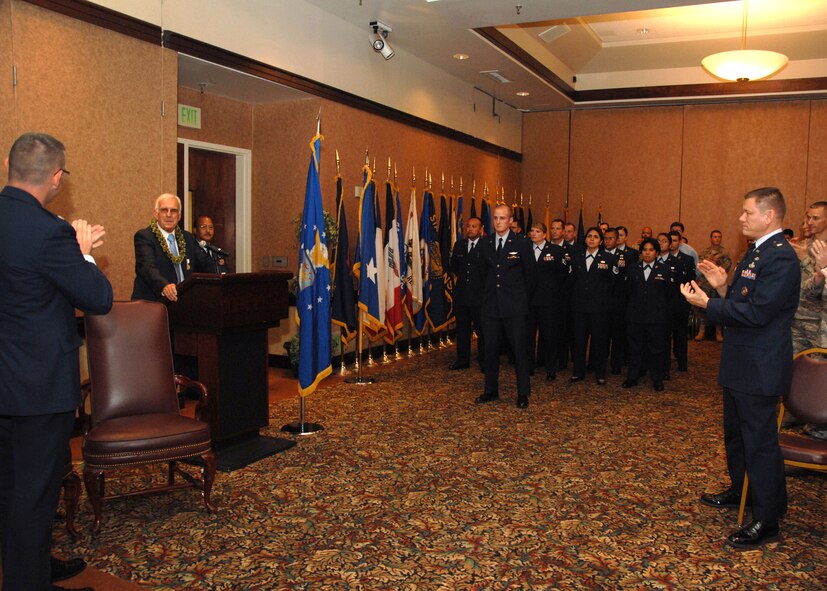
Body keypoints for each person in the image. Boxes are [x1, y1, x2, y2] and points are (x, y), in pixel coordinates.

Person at [0, 132, 113, 591]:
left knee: (10, 487)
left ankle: (35, 566)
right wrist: (83, 251)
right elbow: (99, 298)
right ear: (56, 177)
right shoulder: (50, 232)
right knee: (35, 493)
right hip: (37, 388)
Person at [681, 187, 799, 549]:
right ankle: (740, 491)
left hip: (759, 365)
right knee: (736, 434)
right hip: (742, 360)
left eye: (747, 212)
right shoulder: (756, 252)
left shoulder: (780, 257)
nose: (741, 218)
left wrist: (709, 305)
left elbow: (760, 312)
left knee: (760, 442)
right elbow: (746, 300)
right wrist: (722, 288)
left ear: (769, 216)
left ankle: (767, 518)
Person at [476, 204, 536, 408]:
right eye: (495, 218)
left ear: (511, 221)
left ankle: (523, 393)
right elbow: (483, 275)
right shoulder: (485, 244)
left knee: (519, 350)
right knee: (490, 350)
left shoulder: (522, 243)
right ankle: (490, 390)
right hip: (491, 306)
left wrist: (520, 299)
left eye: (503, 218)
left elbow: (530, 276)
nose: (498, 222)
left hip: (515, 306)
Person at [131, 194, 214, 302]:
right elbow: (147, 268)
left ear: (179, 216)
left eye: (173, 211)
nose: (169, 215)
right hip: (152, 304)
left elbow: (204, 264)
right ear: (156, 214)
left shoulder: (187, 237)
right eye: (164, 210)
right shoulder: (145, 237)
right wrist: (164, 286)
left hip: (183, 303)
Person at [569, 226, 618, 385]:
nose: (591, 239)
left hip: (600, 308)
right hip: (580, 307)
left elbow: (613, 283)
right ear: (585, 239)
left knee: (600, 341)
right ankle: (578, 372)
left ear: (601, 241)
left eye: (596, 237)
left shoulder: (609, 259)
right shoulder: (576, 257)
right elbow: (572, 280)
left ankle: (600, 373)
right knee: (579, 341)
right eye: (589, 236)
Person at [622, 237, 672, 391]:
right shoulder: (632, 268)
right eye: (644, 250)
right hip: (635, 316)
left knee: (656, 349)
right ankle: (633, 377)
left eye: (651, 250)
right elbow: (627, 292)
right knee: (635, 348)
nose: (647, 253)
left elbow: (668, 295)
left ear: (657, 253)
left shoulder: (664, 270)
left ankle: (657, 378)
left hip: (656, 317)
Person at [526, 221, 568, 381]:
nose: (534, 234)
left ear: (544, 234)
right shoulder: (526, 250)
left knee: (549, 336)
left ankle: (551, 369)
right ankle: (529, 366)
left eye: (537, 231)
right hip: (529, 301)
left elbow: (562, 275)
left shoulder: (556, 251)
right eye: (532, 231)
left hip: (548, 301)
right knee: (528, 336)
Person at [449, 217, 485, 372]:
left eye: (474, 226)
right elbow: (455, 267)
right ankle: (462, 360)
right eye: (468, 226)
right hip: (462, 295)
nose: (470, 229)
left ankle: (485, 361)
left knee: (483, 331)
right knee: (463, 331)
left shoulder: (487, 245)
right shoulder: (460, 245)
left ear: (481, 229)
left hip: (480, 297)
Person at [694, 230, 732, 341]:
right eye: (714, 237)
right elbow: (700, 265)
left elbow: (727, 266)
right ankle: (701, 331)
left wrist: (715, 266)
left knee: (717, 307)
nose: (717, 238)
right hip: (705, 284)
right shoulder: (705, 251)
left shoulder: (724, 252)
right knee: (702, 308)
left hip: (717, 285)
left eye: (719, 237)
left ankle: (718, 332)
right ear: (711, 238)